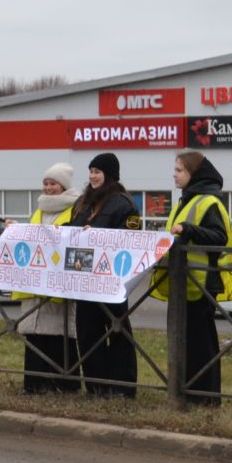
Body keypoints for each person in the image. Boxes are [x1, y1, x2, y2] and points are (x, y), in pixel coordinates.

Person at [153, 151, 232, 406]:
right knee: (185, 344)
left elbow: (218, 236)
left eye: (179, 170)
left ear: (194, 173)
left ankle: (206, 398)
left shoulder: (208, 202)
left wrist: (188, 229)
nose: (174, 174)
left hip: (201, 284)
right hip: (185, 284)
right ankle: (186, 393)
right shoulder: (187, 200)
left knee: (202, 346)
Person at [70, 153, 143, 398]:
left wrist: (99, 234)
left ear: (109, 174)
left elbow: (131, 239)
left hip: (112, 279)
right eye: (90, 171)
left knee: (118, 332)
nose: (92, 176)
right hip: (83, 278)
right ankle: (95, 386)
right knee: (87, 333)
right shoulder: (81, 202)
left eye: (97, 171)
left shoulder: (124, 203)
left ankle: (123, 388)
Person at [15, 163, 82, 393]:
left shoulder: (75, 207)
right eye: (46, 183)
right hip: (35, 284)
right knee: (35, 337)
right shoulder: (40, 209)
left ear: (64, 186)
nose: (48, 188)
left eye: (53, 183)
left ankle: (62, 385)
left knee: (59, 336)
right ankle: (34, 384)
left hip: (58, 284)